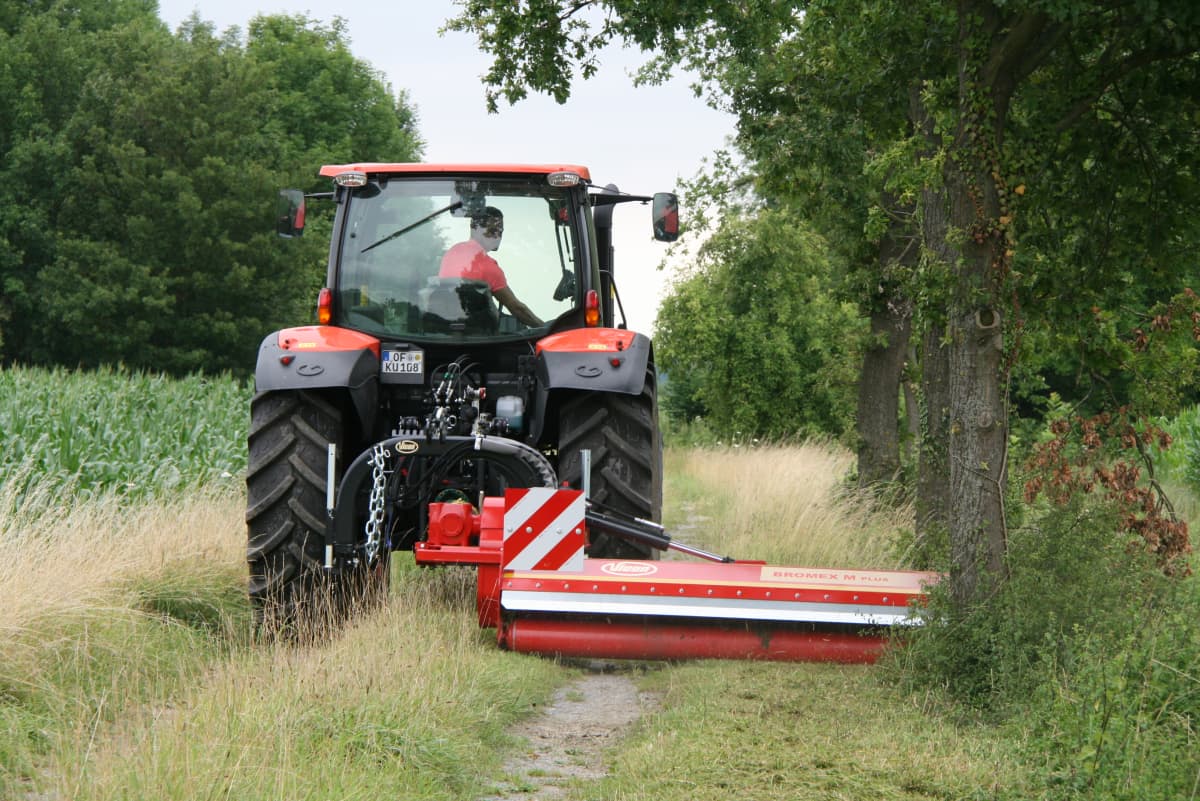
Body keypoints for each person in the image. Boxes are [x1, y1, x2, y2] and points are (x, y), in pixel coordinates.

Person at [439, 206, 543, 327]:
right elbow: (517, 309)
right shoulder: (488, 266)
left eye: (500, 231)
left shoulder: (452, 252)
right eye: (493, 231)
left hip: (443, 328)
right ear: (474, 228)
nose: (498, 236)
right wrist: (546, 329)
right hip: (476, 334)